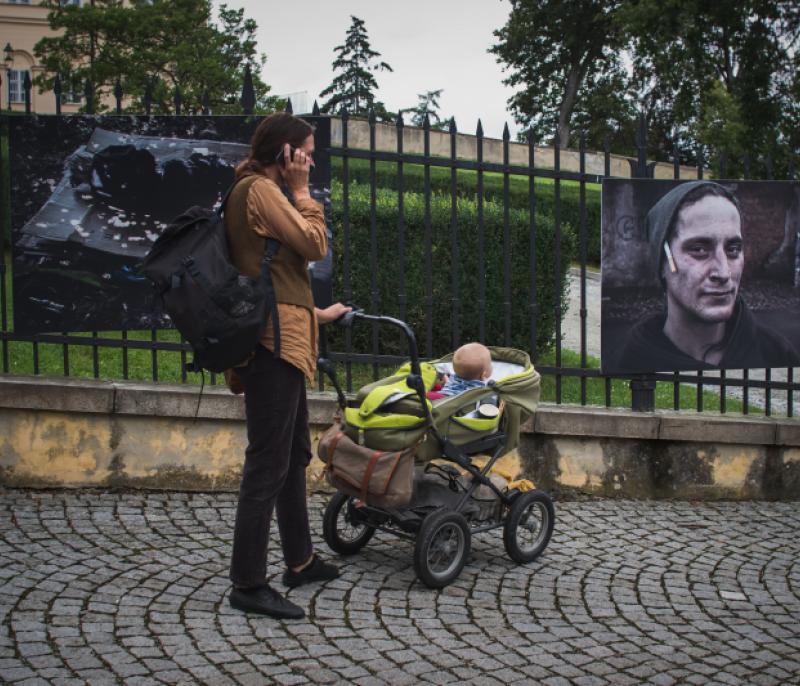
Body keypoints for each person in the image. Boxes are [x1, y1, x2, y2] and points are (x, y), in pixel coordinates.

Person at [224, 113, 351, 620]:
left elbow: (269, 271)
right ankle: (248, 582)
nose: (311, 160)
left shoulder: (253, 190)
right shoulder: (262, 191)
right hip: (274, 345)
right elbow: (314, 245)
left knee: (293, 454)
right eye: (306, 152)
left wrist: (318, 313)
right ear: (285, 154)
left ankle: (299, 560)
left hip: (288, 335)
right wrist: (304, 192)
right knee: (268, 463)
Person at [620, 180, 799, 372]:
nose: (723, 273)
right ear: (663, 261)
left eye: (733, 249)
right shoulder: (634, 358)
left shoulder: (777, 354)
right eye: (698, 249)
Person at [429, 342, 493, 399]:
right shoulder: (479, 388)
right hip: (449, 401)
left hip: (444, 396)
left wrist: (445, 380)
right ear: (483, 375)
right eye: (490, 364)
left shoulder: (454, 377)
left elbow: (453, 385)